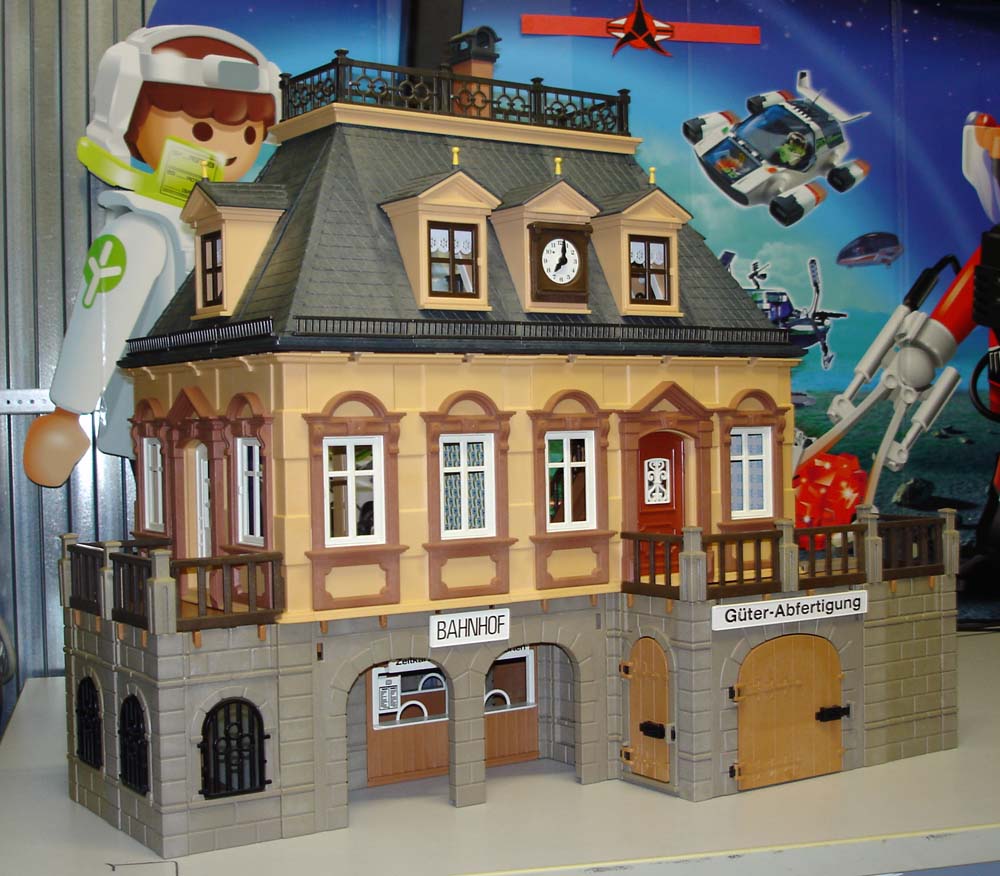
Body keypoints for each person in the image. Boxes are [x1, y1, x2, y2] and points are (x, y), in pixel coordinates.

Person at [23, 25, 280, 487]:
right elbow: (102, 317)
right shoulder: (143, 230)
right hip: (162, 412)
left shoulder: (252, 221)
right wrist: (69, 410)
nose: (225, 147)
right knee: (174, 509)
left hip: (243, 406)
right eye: (202, 129)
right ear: (127, 120)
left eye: (247, 133)